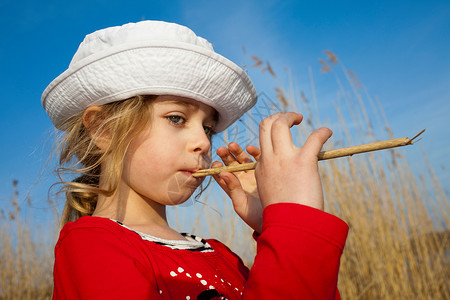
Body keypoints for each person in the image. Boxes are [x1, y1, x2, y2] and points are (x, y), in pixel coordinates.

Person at [42, 20, 348, 300]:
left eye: (208, 127)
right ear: (104, 130)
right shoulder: (92, 246)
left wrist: (275, 227)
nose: (203, 142)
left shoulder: (219, 255)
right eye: (176, 118)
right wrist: (294, 227)